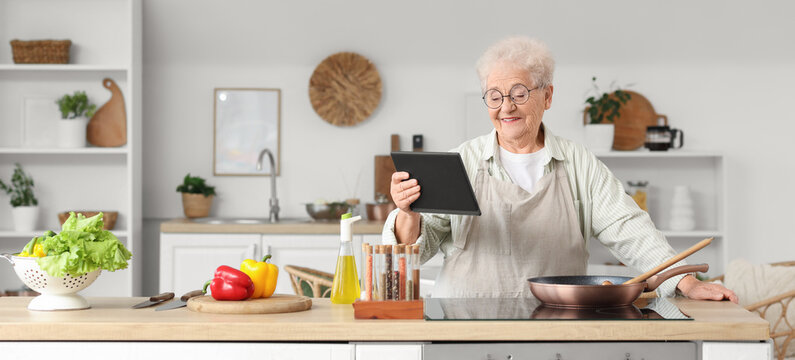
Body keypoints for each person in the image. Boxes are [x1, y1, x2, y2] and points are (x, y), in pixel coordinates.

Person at [381, 36, 737, 302]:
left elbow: (630, 230)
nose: (506, 107)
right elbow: (416, 250)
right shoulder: (462, 160)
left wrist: (685, 283)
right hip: (465, 326)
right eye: (494, 95)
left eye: (519, 93)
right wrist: (406, 213)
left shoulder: (579, 164)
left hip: (557, 328)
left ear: (547, 96)